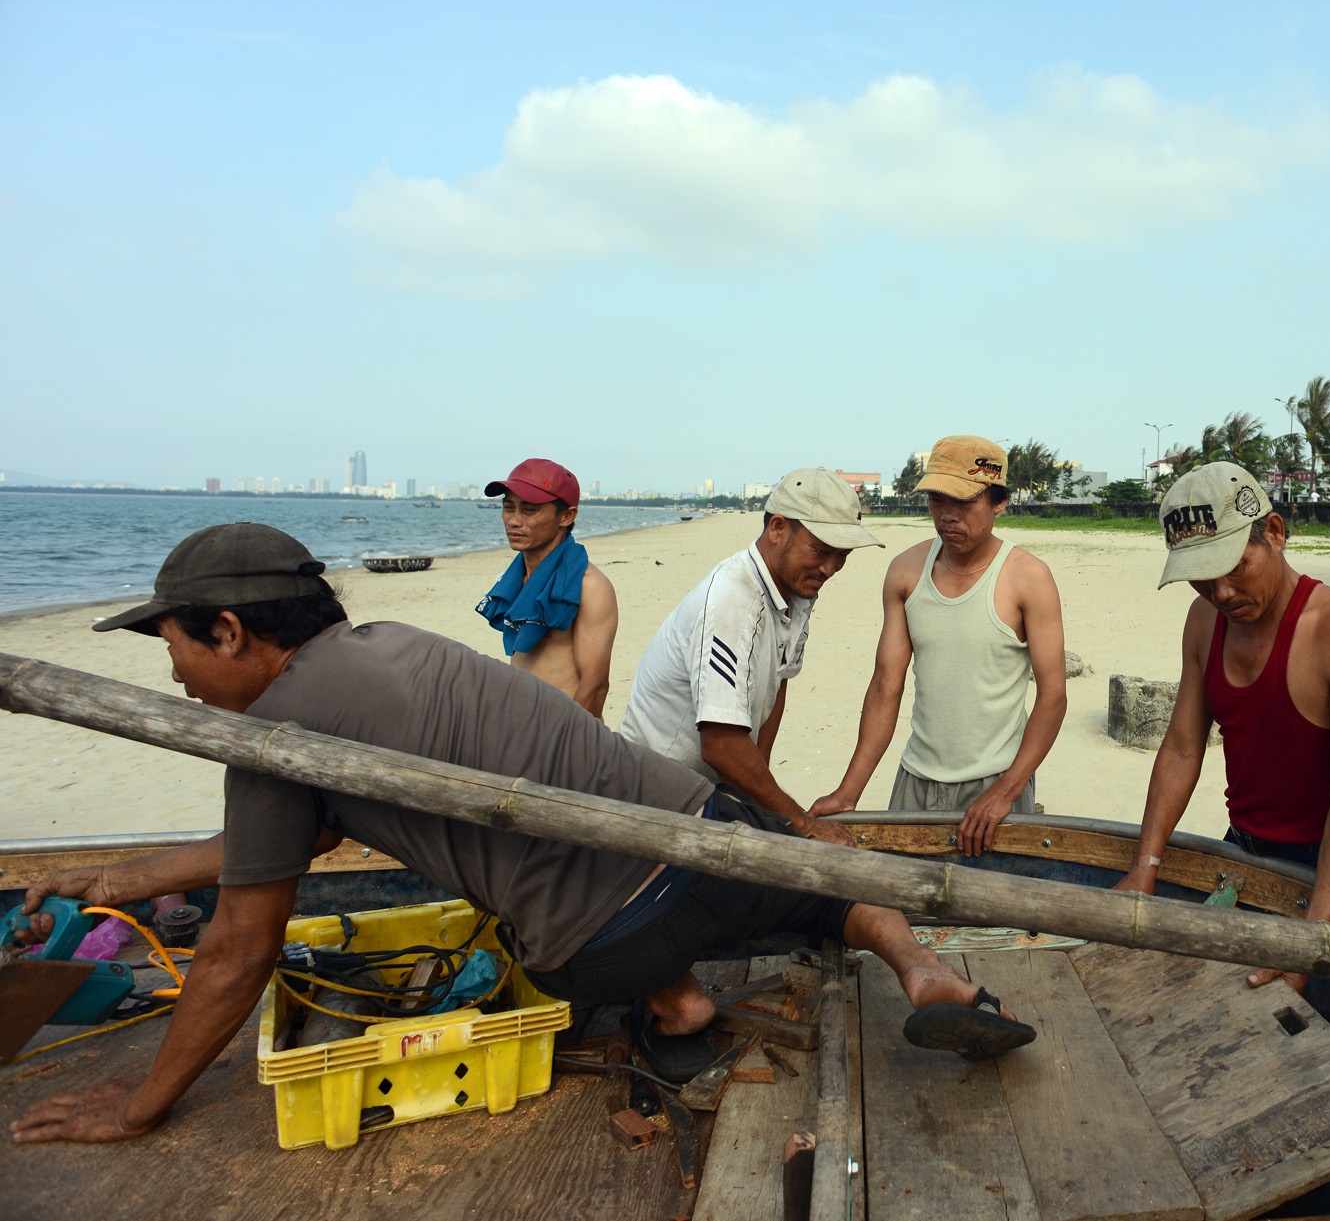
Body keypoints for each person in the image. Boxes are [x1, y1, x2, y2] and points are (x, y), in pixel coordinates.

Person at [7, 524, 1033, 1145]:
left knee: (552, 953)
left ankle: (679, 1012)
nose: (177, 677)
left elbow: (238, 944)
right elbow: (299, 846)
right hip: (701, 837)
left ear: (230, 632)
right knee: (825, 882)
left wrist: (141, 1103)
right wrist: (126, 874)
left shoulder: (277, 734)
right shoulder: (390, 645)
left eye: (176, 647)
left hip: (601, 947)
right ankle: (925, 968)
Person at [1116, 463, 1330, 994]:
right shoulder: (1204, 622)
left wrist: (1311, 938)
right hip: (1243, 851)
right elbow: (1180, 748)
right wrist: (1146, 866)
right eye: (1201, 576)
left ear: (1275, 533)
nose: (1220, 592)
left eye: (1235, 567)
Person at [810, 436, 1068, 857]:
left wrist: (1008, 789)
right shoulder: (906, 572)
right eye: (936, 500)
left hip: (996, 782)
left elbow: (1053, 696)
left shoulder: (1028, 579)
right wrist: (848, 791)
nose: (947, 516)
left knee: (990, 916)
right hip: (915, 779)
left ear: (999, 501)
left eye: (963, 502)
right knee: (907, 907)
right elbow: (885, 686)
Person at [619, 469, 878, 848]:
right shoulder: (733, 602)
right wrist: (799, 822)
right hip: (655, 793)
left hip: (714, 789)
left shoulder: (797, 589)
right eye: (822, 551)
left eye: (843, 556)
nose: (830, 569)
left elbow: (779, 683)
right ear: (777, 528)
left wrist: (763, 791)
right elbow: (720, 744)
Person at [477, 458, 618, 718]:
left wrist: (562, 747)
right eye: (508, 507)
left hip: (563, 732)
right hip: (519, 723)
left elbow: (595, 686)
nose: (513, 521)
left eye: (529, 510)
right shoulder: (516, 578)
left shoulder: (589, 586)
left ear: (567, 516)